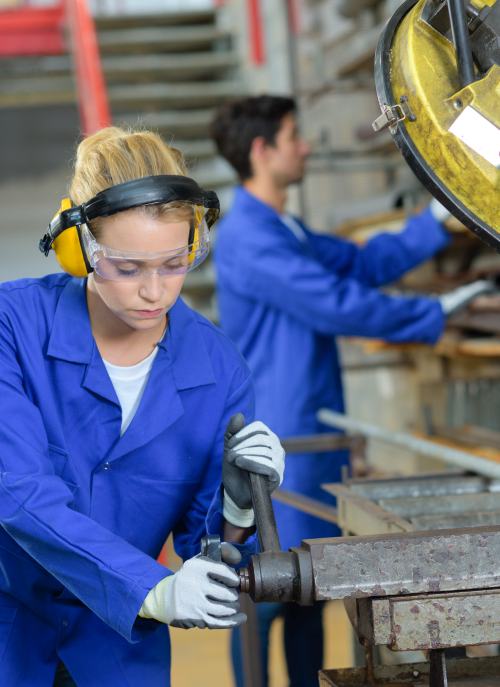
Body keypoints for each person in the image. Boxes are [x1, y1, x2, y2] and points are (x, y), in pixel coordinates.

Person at [210, 95, 492, 687]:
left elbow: (362, 264)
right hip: (280, 444)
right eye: (294, 136)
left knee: (312, 590)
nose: (305, 145)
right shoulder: (247, 239)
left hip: (312, 432)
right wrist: (434, 313)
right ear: (263, 151)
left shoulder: (282, 228)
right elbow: (336, 303)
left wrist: (442, 215)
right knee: (264, 600)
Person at [0, 126, 286, 686]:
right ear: (79, 247)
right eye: (127, 268)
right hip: (12, 628)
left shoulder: (217, 369)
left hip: (121, 648)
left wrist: (238, 508)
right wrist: (152, 589)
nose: (155, 292)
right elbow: (19, 492)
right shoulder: (14, 328)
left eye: (175, 263)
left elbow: (208, 551)